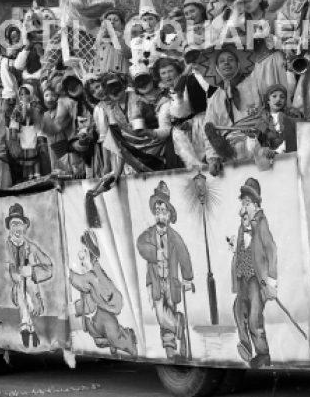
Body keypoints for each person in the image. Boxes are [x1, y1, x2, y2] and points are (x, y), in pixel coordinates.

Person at [136, 181, 194, 360]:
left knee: (169, 308)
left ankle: (170, 345)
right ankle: (179, 324)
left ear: (169, 215)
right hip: (155, 281)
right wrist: (156, 253)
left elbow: (184, 255)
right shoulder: (148, 234)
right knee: (161, 315)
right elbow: (141, 244)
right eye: (158, 211)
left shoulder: (175, 238)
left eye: (164, 211)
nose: (160, 214)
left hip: (171, 281)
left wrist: (188, 278)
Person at [232, 178, 278, 369]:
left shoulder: (261, 224)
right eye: (242, 203)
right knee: (237, 310)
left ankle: (263, 354)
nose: (244, 207)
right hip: (243, 277)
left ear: (256, 204)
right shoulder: (243, 226)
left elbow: (272, 250)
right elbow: (242, 250)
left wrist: (272, 282)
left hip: (256, 281)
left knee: (254, 319)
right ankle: (245, 346)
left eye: (247, 203)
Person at [69, 230, 137, 358]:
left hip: (104, 320)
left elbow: (80, 282)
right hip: (93, 321)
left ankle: (128, 340)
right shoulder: (89, 273)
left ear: (91, 254)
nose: (80, 255)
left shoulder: (93, 275)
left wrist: (68, 273)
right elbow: (87, 300)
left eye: (84, 251)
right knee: (99, 342)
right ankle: (114, 341)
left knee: (116, 339)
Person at [203, 48, 262, 175]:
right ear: (217, 67)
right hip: (228, 155)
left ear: (238, 63)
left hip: (257, 148)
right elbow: (209, 131)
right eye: (222, 61)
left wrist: (261, 133)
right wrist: (213, 159)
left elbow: (268, 115)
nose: (226, 63)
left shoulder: (256, 86)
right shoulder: (214, 99)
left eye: (230, 60)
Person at [4, 202, 54, 349]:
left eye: (19, 224)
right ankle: (27, 327)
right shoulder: (7, 246)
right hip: (20, 292)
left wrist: (32, 272)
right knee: (21, 286)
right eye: (13, 224)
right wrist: (21, 276)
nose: (16, 228)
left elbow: (49, 267)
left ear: (25, 227)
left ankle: (28, 328)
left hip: (32, 293)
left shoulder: (32, 247)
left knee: (27, 284)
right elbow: (13, 272)